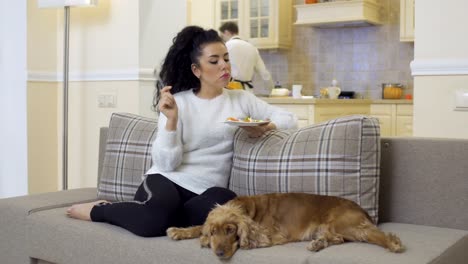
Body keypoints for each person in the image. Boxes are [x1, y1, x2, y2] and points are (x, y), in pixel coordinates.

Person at [66, 26, 297, 237]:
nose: (224, 66)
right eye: (214, 61)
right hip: (167, 180)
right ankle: (102, 211)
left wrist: (267, 126)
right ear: (197, 70)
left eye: (226, 58)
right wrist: (171, 121)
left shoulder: (242, 99)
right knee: (153, 223)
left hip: (206, 189)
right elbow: (166, 164)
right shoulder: (178, 102)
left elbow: (289, 118)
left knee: (227, 201)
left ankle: (157, 216)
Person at [219, 21, 274, 92]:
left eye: (222, 35)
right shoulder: (252, 48)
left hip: (230, 90)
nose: (222, 38)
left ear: (226, 32)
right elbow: (265, 74)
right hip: (248, 91)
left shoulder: (225, 46)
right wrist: (271, 90)